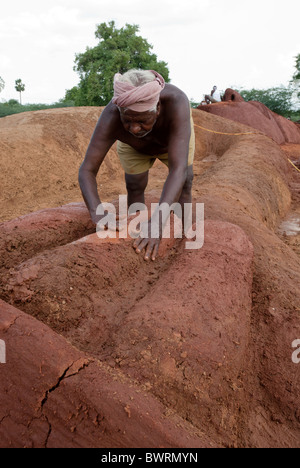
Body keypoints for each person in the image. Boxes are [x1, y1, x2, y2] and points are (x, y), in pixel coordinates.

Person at [78, 69, 195, 261]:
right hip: (134, 147)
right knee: (134, 185)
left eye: (142, 121)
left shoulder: (177, 102)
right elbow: (87, 170)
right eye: (127, 121)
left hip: (170, 144)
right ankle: (136, 234)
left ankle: (181, 236)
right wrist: (96, 212)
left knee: (185, 182)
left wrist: (157, 222)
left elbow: (178, 169)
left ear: (157, 108)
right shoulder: (111, 115)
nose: (134, 128)